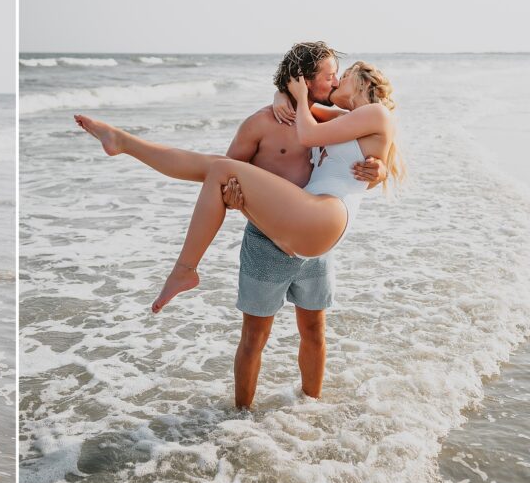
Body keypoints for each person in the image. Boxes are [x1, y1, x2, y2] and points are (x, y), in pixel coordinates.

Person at [76, 43, 403, 407]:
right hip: (288, 231)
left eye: (340, 76)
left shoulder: (356, 116)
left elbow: (340, 151)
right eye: (330, 75)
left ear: (358, 84)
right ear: (306, 79)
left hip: (319, 221)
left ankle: (185, 268)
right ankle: (124, 142)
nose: (335, 80)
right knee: (215, 168)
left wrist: (379, 168)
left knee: (313, 330)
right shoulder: (308, 120)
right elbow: (329, 146)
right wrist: (286, 95)